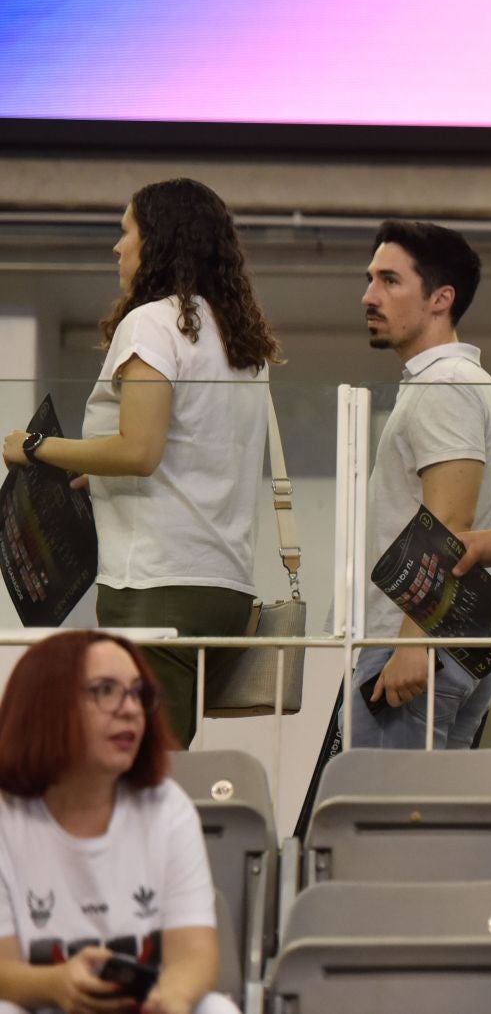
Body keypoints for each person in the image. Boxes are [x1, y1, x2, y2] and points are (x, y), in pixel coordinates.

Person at [4, 178, 277, 748]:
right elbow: (184, 451)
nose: (117, 248)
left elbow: (139, 450)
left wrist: (35, 447)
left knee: (142, 772)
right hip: (223, 584)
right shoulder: (238, 339)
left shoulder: (154, 322)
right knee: (159, 762)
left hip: (156, 581)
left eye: (126, 232)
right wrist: (90, 469)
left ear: (158, 240)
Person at [0, 631, 234, 1014]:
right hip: (44, 1006)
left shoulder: (167, 807)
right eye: (105, 690)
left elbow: (195, 951)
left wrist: (171, 996)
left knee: (213, 1008)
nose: (129, 710)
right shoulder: (6, 817)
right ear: (47, 706)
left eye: (138, 693)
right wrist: (55, 984)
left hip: (142, 1007)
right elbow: (4, 969)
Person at [350, 220, 491, 750]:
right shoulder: (459, 383)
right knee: (427, 823)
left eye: (390, 281)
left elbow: (449, 523)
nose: (369, 296)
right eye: (371, 279)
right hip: (453, 642)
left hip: (421, 643)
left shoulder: (445, 385)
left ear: (441, 299)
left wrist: (410, 645)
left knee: (386, 824)